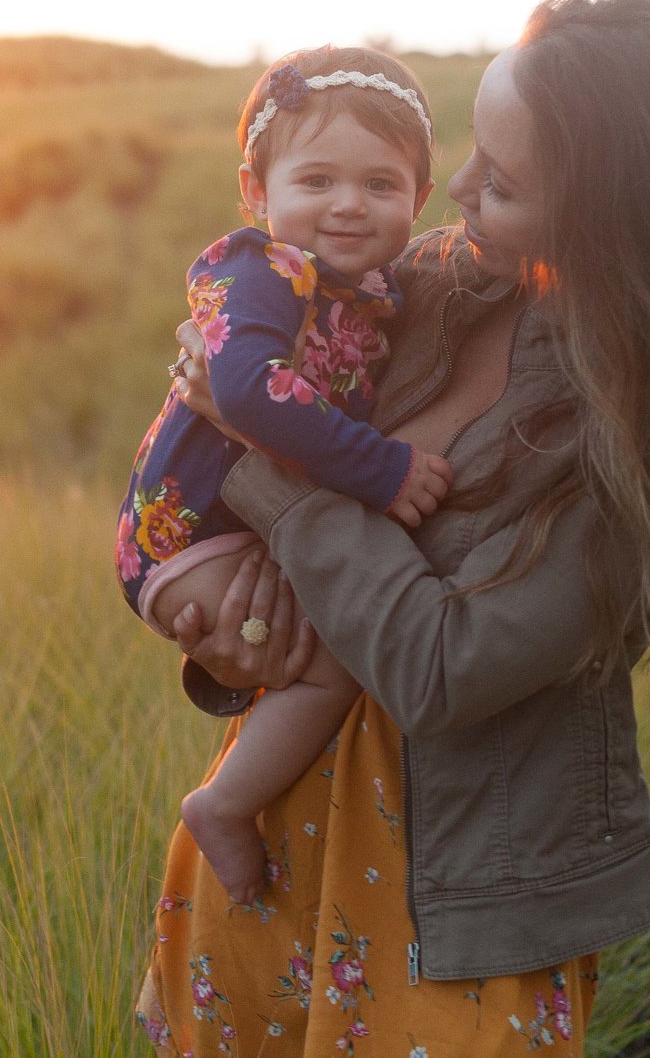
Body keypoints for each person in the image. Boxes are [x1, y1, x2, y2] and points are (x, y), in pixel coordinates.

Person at [136, 0, 650, 1056]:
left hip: (460, 900)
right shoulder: (425, 287)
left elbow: (439, 669)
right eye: (471, 154)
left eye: (500, 184)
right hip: (273, 832)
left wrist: (269, 467)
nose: (448, 192)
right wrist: (223, 608)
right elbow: (225, 368)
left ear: (611, 218)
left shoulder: (646, 449)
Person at [119, 46, 458, 905]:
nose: (349, 204)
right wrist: (380, 470)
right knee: (329, 667)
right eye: (318, 181)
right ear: (257, 191)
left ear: (420, 198)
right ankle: (225, 803)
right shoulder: (263, 271)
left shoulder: (367, 290)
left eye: (381, 185)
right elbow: (247, 390)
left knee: (318, 641)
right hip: (192, 532)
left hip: (230, 528)